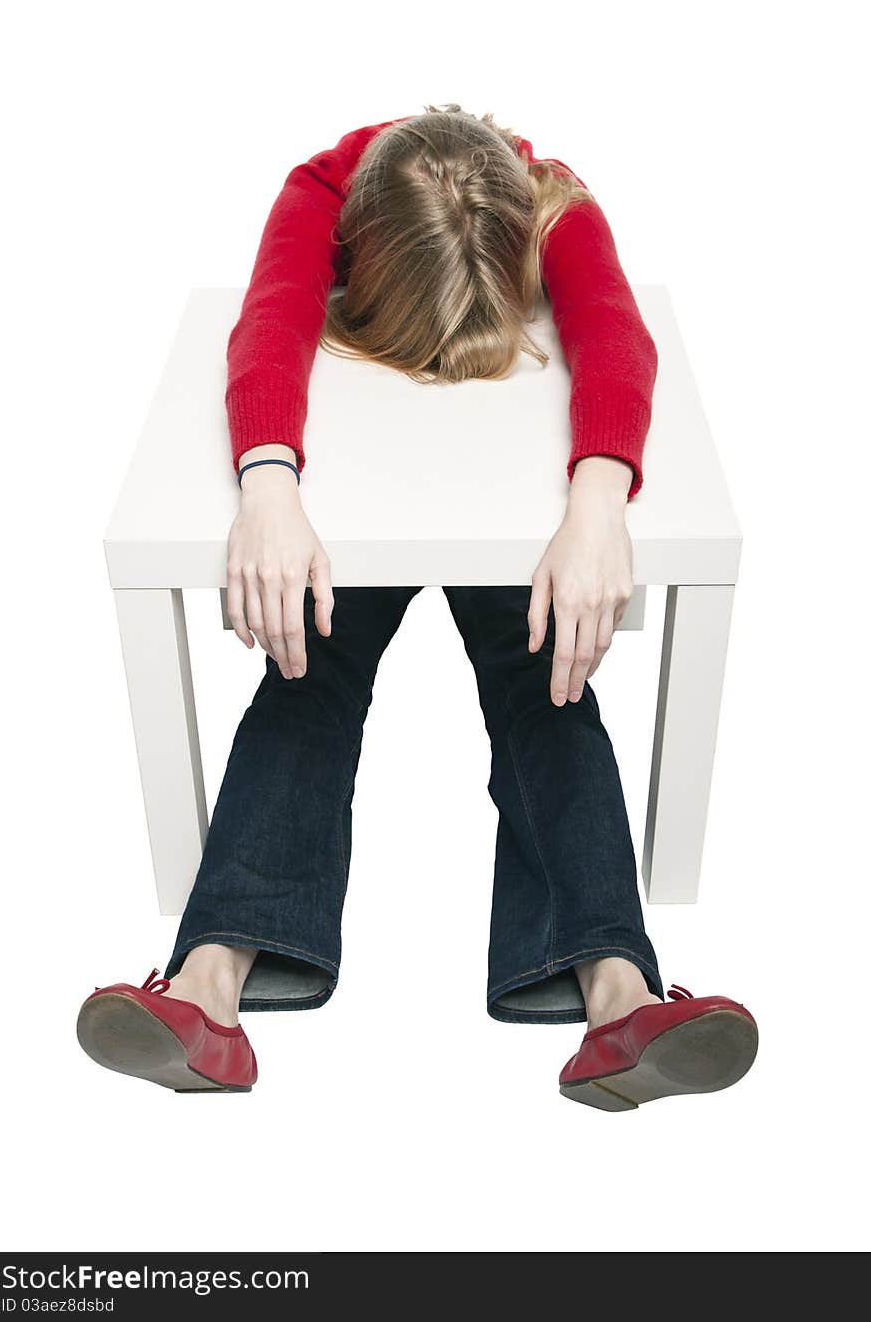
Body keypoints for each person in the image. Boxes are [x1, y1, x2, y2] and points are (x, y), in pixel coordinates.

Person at [77, 104, 758, 1110]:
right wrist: (267, 488)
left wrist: (597, 501)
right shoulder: (319, 194)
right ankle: (203, 988)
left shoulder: (551, 197)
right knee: (308, 660)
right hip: (350, 510)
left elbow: (614, 330)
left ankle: (623, 993)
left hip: (514, 512)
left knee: (549, 667)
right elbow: (270, 316)